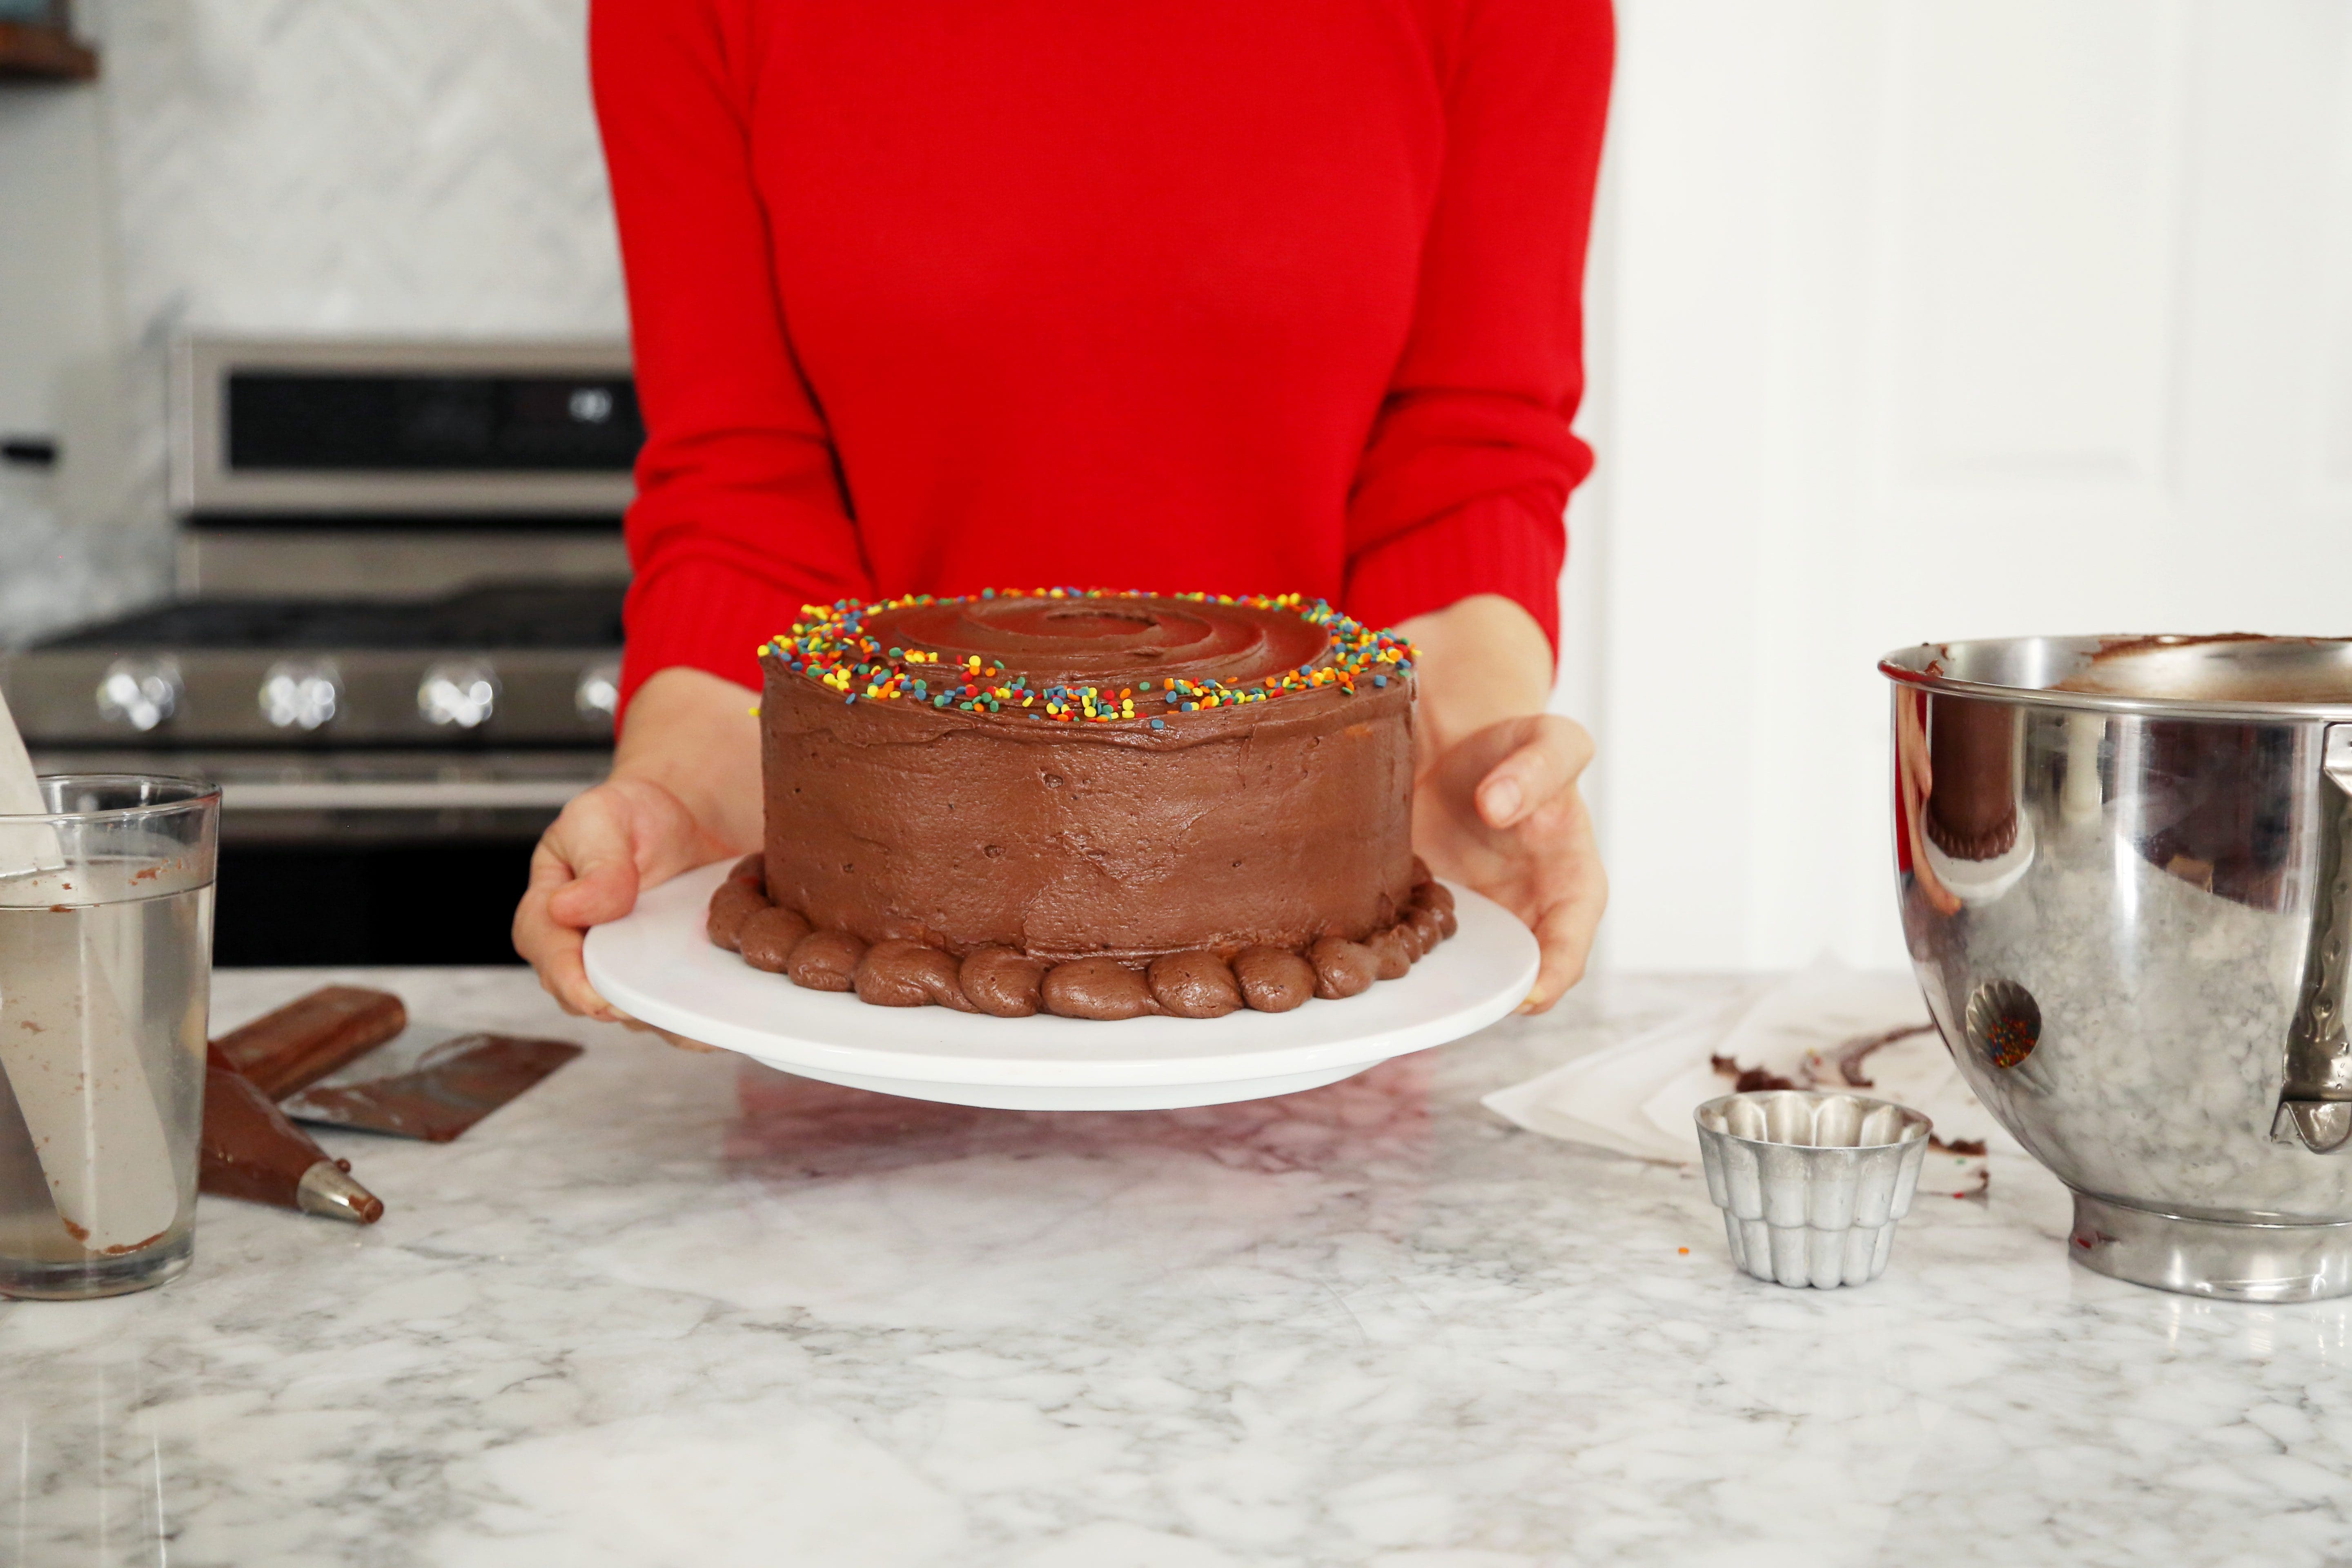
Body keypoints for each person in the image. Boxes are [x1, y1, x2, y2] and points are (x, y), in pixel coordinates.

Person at [516, 0, 1615, 1020]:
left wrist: (1458, 743)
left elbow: (1466, 453)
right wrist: (689, 780)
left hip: (1320, 1025)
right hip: (860, 1027)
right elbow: (745, 483)